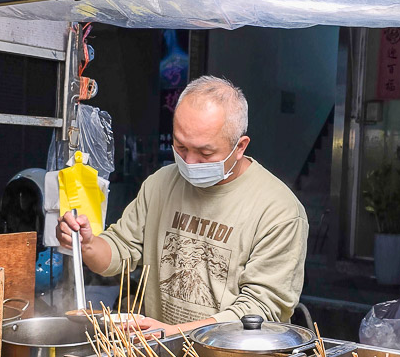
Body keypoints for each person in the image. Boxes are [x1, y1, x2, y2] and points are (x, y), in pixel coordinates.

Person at [57, 75, 308, 336]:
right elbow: (121, 249)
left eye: (205, 153)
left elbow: (260, 312)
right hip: (160, 354)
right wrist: (86, 244)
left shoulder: (279, 210)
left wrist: (175, 332)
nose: (189, 162)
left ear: (240, 146)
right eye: (180, 146)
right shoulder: (161, 183)